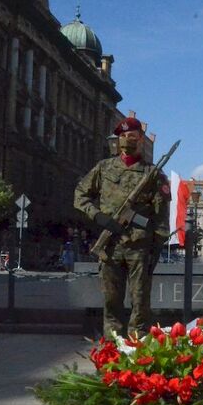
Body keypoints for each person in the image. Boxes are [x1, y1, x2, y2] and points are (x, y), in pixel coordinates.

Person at [74, 117, 170, 338]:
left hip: (139, 246)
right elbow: (80, 195)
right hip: (110, 245)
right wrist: (98, 216)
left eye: (132, 136)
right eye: (123, 136)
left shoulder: (152, 173)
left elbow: (161, 215)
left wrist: (156, 245)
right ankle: (113, 344)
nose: (127, 140)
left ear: (141, 139)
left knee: (140, 300)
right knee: (111, 299)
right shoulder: (104, 168)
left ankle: (138, 344)